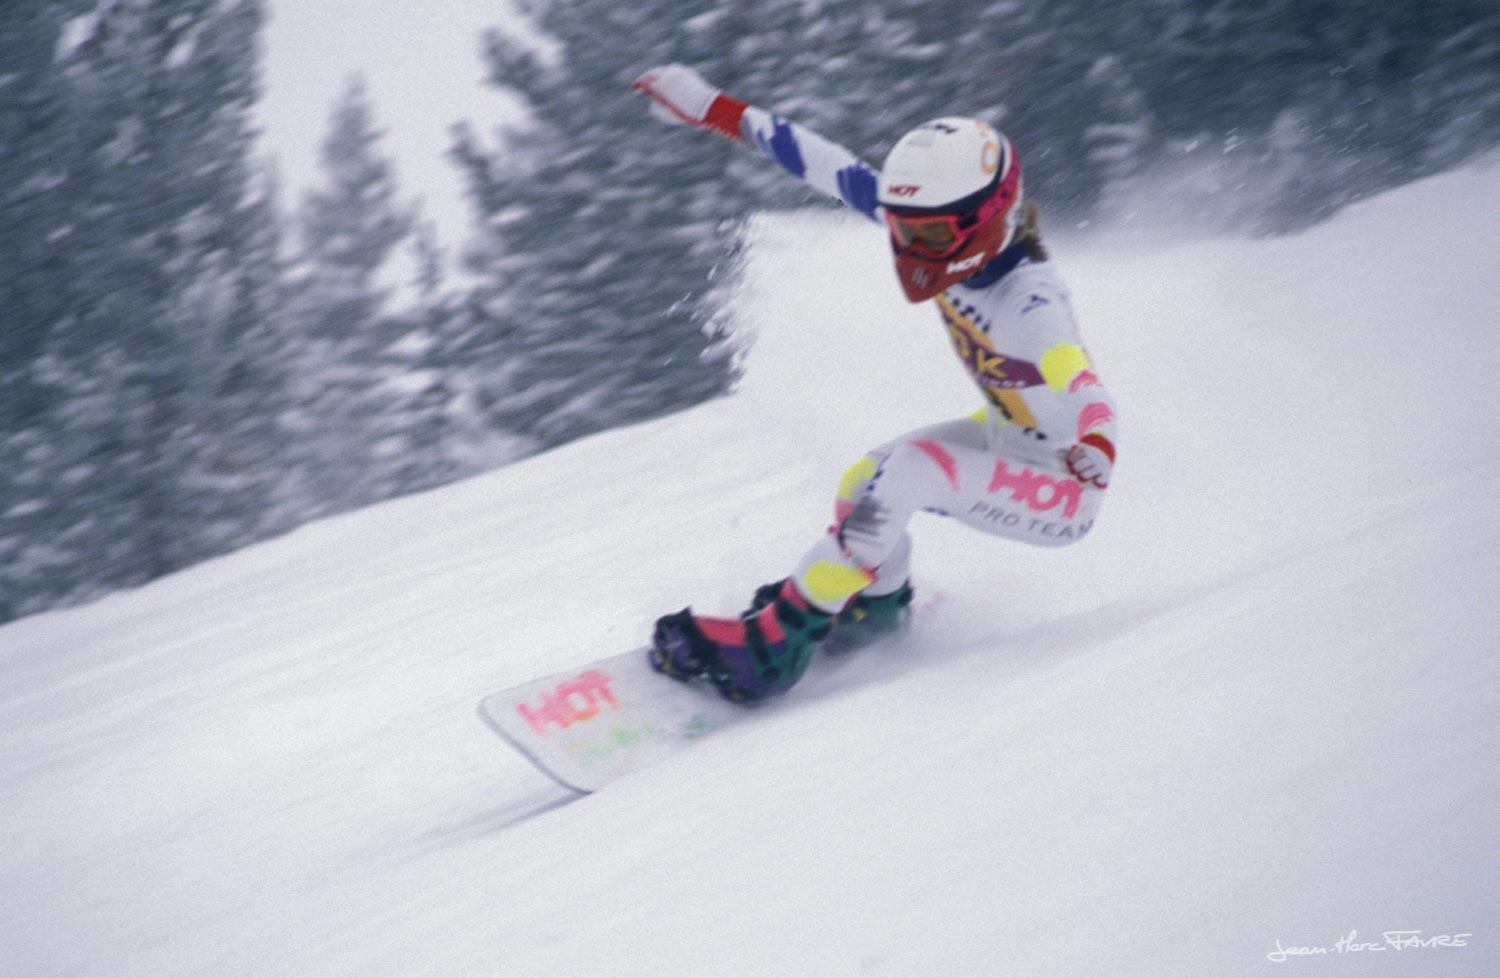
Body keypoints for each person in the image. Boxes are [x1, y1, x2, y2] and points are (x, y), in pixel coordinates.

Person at [632, 64, 1119, 703]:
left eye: (925, 234)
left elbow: (1080, 380)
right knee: (864, 482)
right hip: (1009, 439)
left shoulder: (1027, 302)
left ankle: (774, 648)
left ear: (984, 218)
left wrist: (1099, 444)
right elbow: (822, 162)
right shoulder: (934, 225)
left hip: (1064, 487)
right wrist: (711, 107)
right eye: (898, 226)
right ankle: (875, 611)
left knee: (909, 471)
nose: (908, 246)